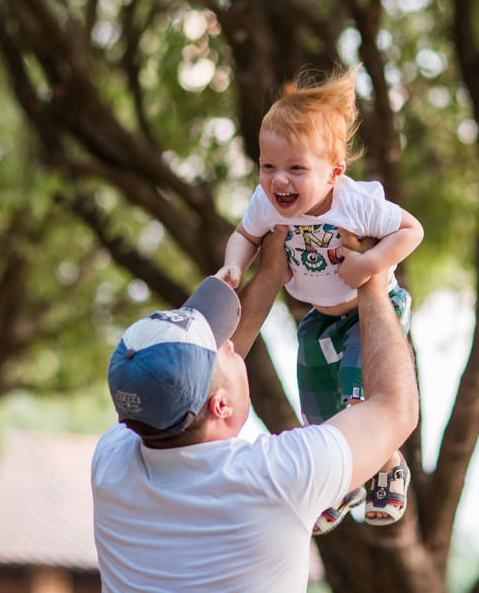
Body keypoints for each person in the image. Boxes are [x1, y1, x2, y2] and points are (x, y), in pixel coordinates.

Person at [92, 227, 419, 592]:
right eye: (224, 350)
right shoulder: (274, 478)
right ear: (220, 406)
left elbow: (181, 385)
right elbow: (395, 407)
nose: (233, 345)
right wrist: (372, 278)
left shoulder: (113, 463)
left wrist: (269, 275)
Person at [217, 66, 424, 532]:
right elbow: (244, 236)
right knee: (317, 402)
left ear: (334, 172)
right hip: (319, 318)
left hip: (369, 315)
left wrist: (369, 265)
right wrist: (234, 266)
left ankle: (388, 463)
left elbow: (412, 230)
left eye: (295, 168)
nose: (278, 181)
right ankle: (343, 479)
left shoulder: (358, 203)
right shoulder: (265, 203)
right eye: (268, 166)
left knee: (360, 393)